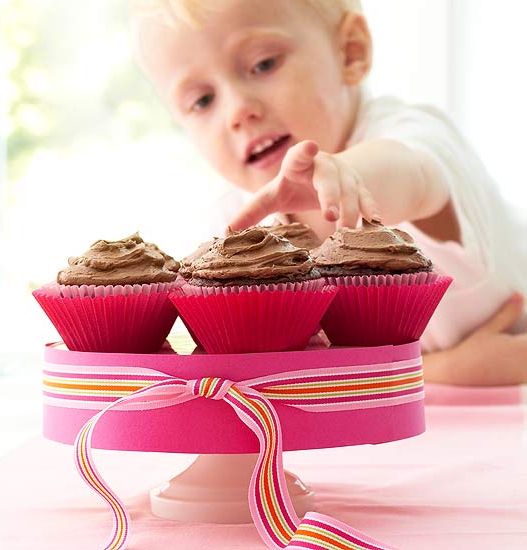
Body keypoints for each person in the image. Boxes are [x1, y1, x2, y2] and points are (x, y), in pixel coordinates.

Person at [129, 0, 527, 385]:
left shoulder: (412, 137)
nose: (237, 111)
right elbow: (280, 383)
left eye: (263, 64)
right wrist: (444, 371)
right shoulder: (236, 228)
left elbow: (413, 174)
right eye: (202, 100)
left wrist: (349, 174)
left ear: (350, 51)